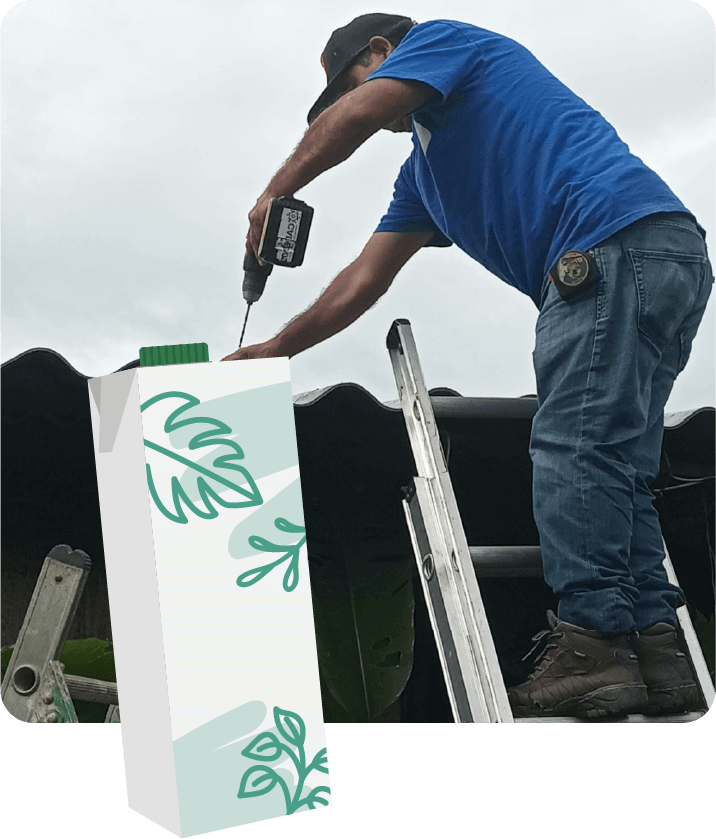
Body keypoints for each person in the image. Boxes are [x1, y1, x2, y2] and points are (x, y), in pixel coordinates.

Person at [221, 14, 713, 718]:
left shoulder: (443, 41)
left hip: (608, 246)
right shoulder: (422, 177)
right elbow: (364, 278)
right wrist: (276, 349)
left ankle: (595, 643)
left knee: (574, 450)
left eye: (348, 85)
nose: (348, 106)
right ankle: (657, 652)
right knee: (615, 462)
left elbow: (360, 114)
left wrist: (275, 192)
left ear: (383, 51)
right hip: (656, 255)